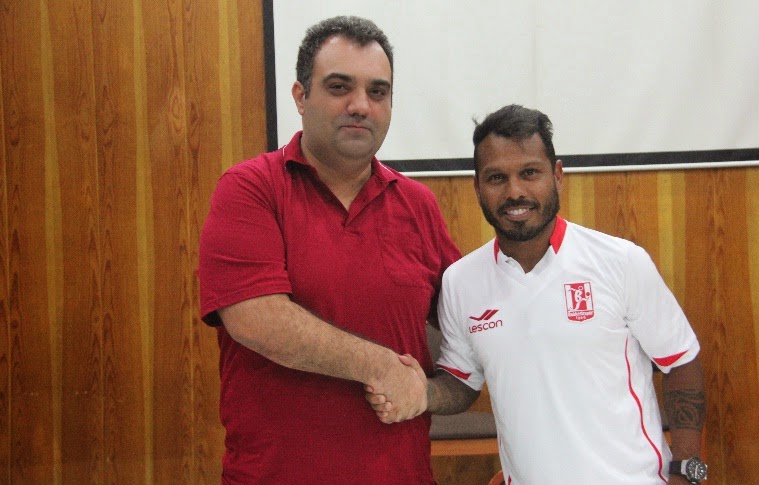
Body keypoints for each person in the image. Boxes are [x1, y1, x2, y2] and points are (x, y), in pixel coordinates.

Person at [367, 105, 707, 484]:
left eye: (529, 173)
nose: (515, 192)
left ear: (557, 176)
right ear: (477, 187)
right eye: (497, 178)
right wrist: (423, 393)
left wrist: (687, 471)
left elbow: (681, 361)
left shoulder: (621, 262)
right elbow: (462, 381)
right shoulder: (461, 281)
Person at [197, 15, 460, 484]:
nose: (360, 105)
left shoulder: (418, 205)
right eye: (339, 87)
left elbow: (471, 335)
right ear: (301, 97)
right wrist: (380, 366)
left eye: (378, 92)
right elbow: (257, 320)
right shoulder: (250, 189)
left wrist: (428, 394)